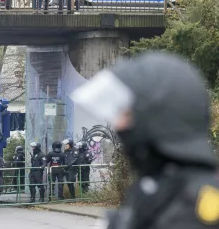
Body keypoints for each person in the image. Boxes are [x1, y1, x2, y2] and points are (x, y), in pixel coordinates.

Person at [72, 52, 219, 229]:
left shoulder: (200, 204)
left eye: (126, 113)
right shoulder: (157, 187)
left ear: (159, 117)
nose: (118, 125)